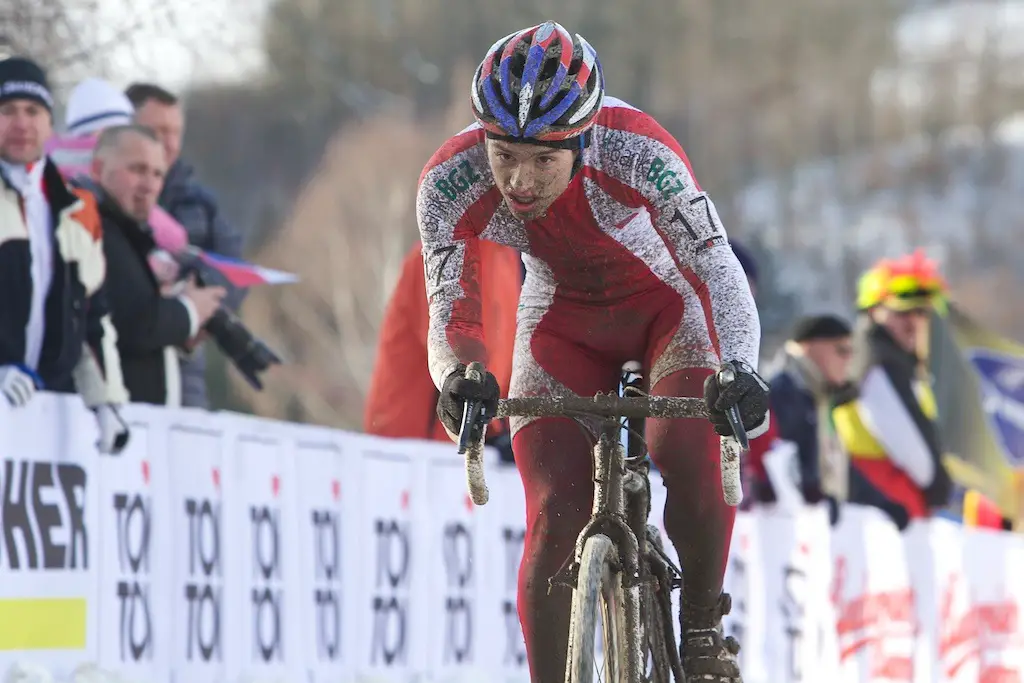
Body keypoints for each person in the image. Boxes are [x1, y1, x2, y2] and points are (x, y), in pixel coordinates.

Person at [416, 23, 768, 683]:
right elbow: (450, 306)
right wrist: (460, 376)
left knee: (684, 444)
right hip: (561, 318)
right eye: (503, 153)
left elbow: (717, 270)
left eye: (543, 159)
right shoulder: (448, 180)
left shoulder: (638, 151)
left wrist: (739, 368)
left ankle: (699, 631)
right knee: (554, 508)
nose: (518, 179)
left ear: (583, 141)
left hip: (668, 310)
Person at [0, 56, 129, 453]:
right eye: (7, 111)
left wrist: (106, 401)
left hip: (44, 417)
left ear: (49, 124)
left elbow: (90, 317)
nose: (22, 123)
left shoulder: (76, 208)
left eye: (33, 111)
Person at [125, 82, 245, 409]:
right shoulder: (108, 195)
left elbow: (233, 269)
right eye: (158, 130)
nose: (169, 143)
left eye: (176, 132)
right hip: (124, 367)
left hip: (186, 370)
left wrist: (196, 303)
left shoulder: (199, 201)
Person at [90, 125, 226, 405]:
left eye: (157, 174)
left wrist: (183, 333)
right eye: (137, 170)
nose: (149, 185)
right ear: (98, 168)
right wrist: (189, 311)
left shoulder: (132, 235)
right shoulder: (97, 231)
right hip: (110, 420)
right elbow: (133, 324)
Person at [363, 239, 521, 461]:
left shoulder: (508, 256)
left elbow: (507, 360)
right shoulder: (441, 254)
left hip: (468, 448)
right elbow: (453, 353)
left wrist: (506, 429)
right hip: (412, 451)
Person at [832, 251, 953, 530]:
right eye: (902, 311)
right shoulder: (880, 362)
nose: (914, 321)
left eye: (922, 311)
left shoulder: (891, 358)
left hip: (886, 511)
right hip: (889, 514)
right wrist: (938, 483)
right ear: (874, 311)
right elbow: (916, 457)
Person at [751, 315, 853, 513]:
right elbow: (777, 465)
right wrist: (816, 494)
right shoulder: (784, 391)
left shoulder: (820, 393)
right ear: (810, 347)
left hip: (807, 520)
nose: (848, 358)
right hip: (784, 523)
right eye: (842, 350)